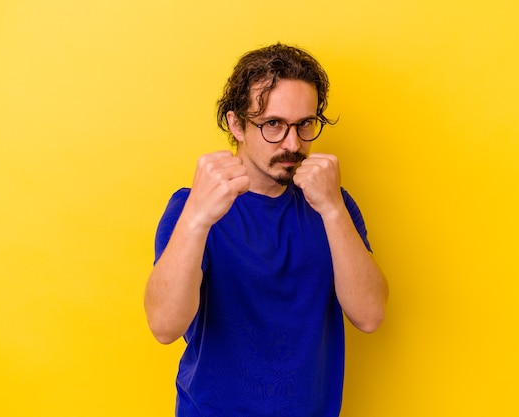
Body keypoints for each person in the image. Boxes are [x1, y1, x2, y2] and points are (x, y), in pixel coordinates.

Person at [144, 43, 388, 417]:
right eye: (273, 124)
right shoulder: (192, 207)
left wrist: (333, 208)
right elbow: (164, 327)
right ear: (237, 124)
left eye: (305, 124)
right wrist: (196, 219)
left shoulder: (332, 204)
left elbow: (370, 315)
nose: (293, 144)